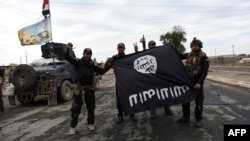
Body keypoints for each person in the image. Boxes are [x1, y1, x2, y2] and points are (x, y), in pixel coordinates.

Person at [65, 45, 112, 134]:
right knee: (76, 109)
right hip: (79, 90)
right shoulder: (78, 62)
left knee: (91, 108)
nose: (88, 55)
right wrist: (68, 49)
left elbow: (101, 71)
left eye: (89, 54)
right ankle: (73, 127)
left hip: (89, 90)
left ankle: (91, 124)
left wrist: (109, 64)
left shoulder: (92, 65)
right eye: (86, 54)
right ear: (83, 54)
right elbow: (67, 57)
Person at [134, 40, 174, 119]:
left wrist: (170, 47)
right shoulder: (146, 53)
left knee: (164, 94)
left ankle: (167, 109)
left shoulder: (159, 52)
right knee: (151, 96)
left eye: (154, 44)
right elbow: (138, 57)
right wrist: (136, 50)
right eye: (151, 45)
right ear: (149, 46)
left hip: (160, 78)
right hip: (150, 79)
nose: (153, 46)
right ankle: (152, 112)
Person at [176, 37, 209, 127]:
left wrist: (199, 83)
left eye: (196, 46)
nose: (194, 47)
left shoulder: (203, 58)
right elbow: (178, 55)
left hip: (197, 83)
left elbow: (204, 72)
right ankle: (186, 117)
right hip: (188, 82)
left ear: (199, 46)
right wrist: (172, 48)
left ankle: (198, 119)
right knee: (185, 101)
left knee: (198, 102)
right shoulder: (188, 55)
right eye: (192, 46)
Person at [110, 42, 137, 124]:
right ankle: (120, 116)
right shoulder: (114, 58)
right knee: (119, 100)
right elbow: (107, 66)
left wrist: (136, 51)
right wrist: (108, 61)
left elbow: (135, 59)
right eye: (119, 48)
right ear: (117, 49)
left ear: (124, 49)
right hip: (119, 82)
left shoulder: (127, 57)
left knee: (130, 98)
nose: (121, 49)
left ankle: (132, 114)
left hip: (127, 81)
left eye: (122, 48)